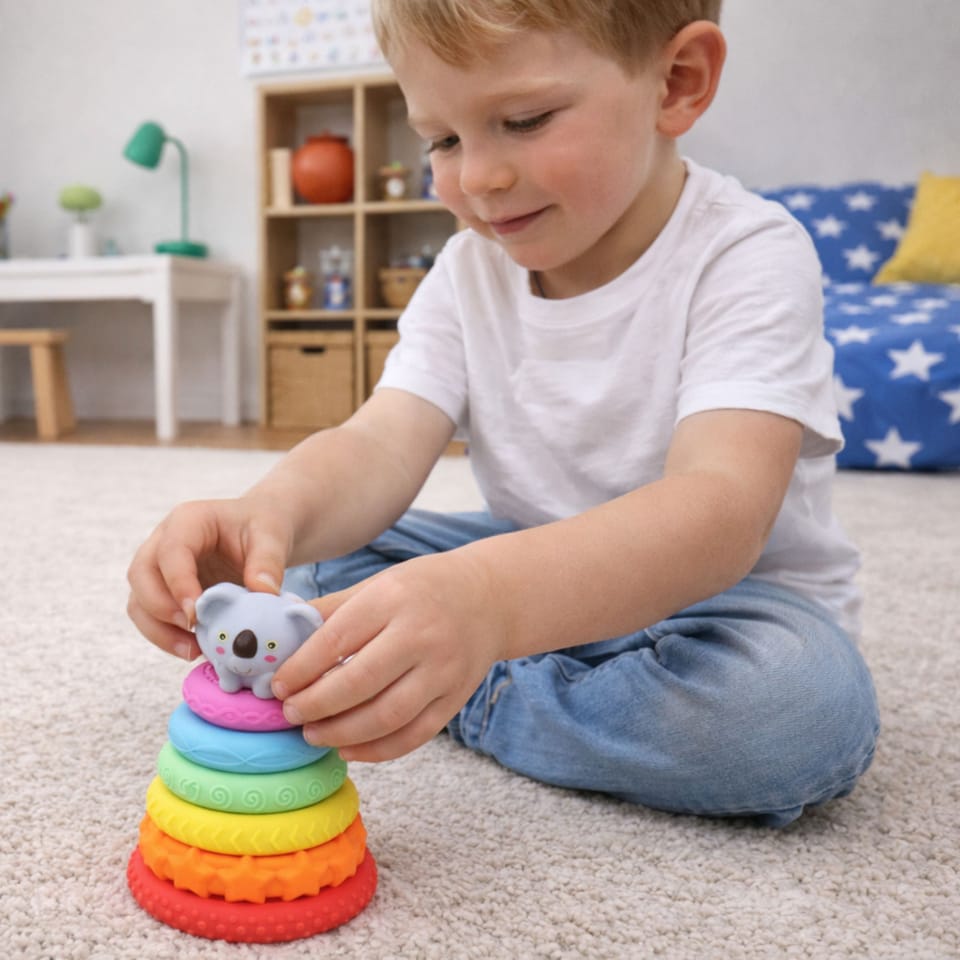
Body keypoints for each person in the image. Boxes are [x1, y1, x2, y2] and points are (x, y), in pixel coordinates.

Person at [127, 0, 879, 827]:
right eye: (443, 140)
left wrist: (485, 604)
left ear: (677, 82)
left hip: (718, 609)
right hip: (521, 566)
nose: (477, 177)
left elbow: (721, 512)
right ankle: (457, 656)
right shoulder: (465, 270)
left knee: (794, 713)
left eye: (523, 121)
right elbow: (380, 442)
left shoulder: (747, 253)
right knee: (306, 569)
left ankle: (465, 688)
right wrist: (264, 517)